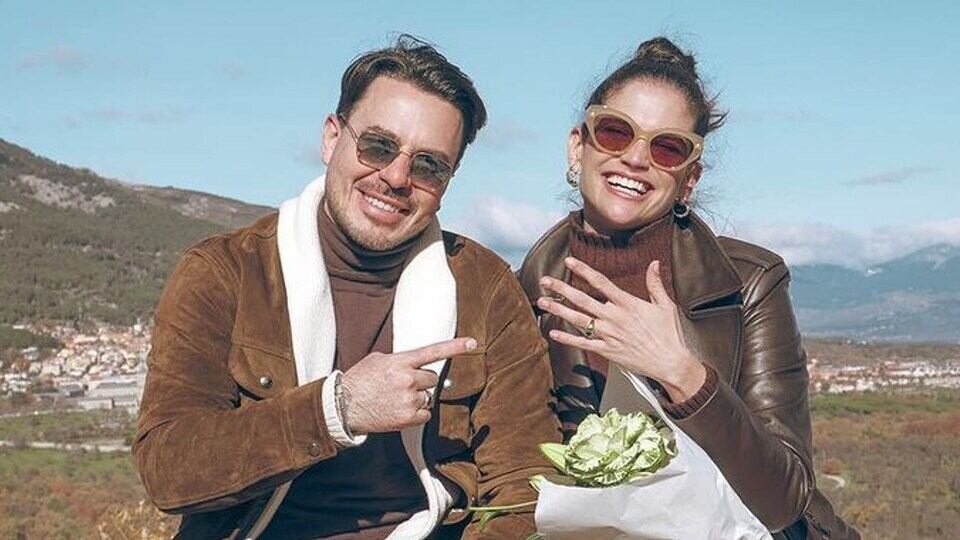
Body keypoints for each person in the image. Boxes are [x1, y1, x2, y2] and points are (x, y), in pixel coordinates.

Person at [134, 35, 561, 540]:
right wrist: (336, 410)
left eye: (429, 165)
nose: (397, 177)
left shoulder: (485, 289)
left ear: (448, 181)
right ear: (331, 138)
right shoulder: (225, 273)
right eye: (378, 146)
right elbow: (168, 469)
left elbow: (524, 482)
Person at [518, 37, 859, 540]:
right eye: (615, 132)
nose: (636, 159)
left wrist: (684, 375)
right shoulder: (518, 298)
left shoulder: (749, 284)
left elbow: (785, 500)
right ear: (578, 146)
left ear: (689, 177)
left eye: (667, 147)